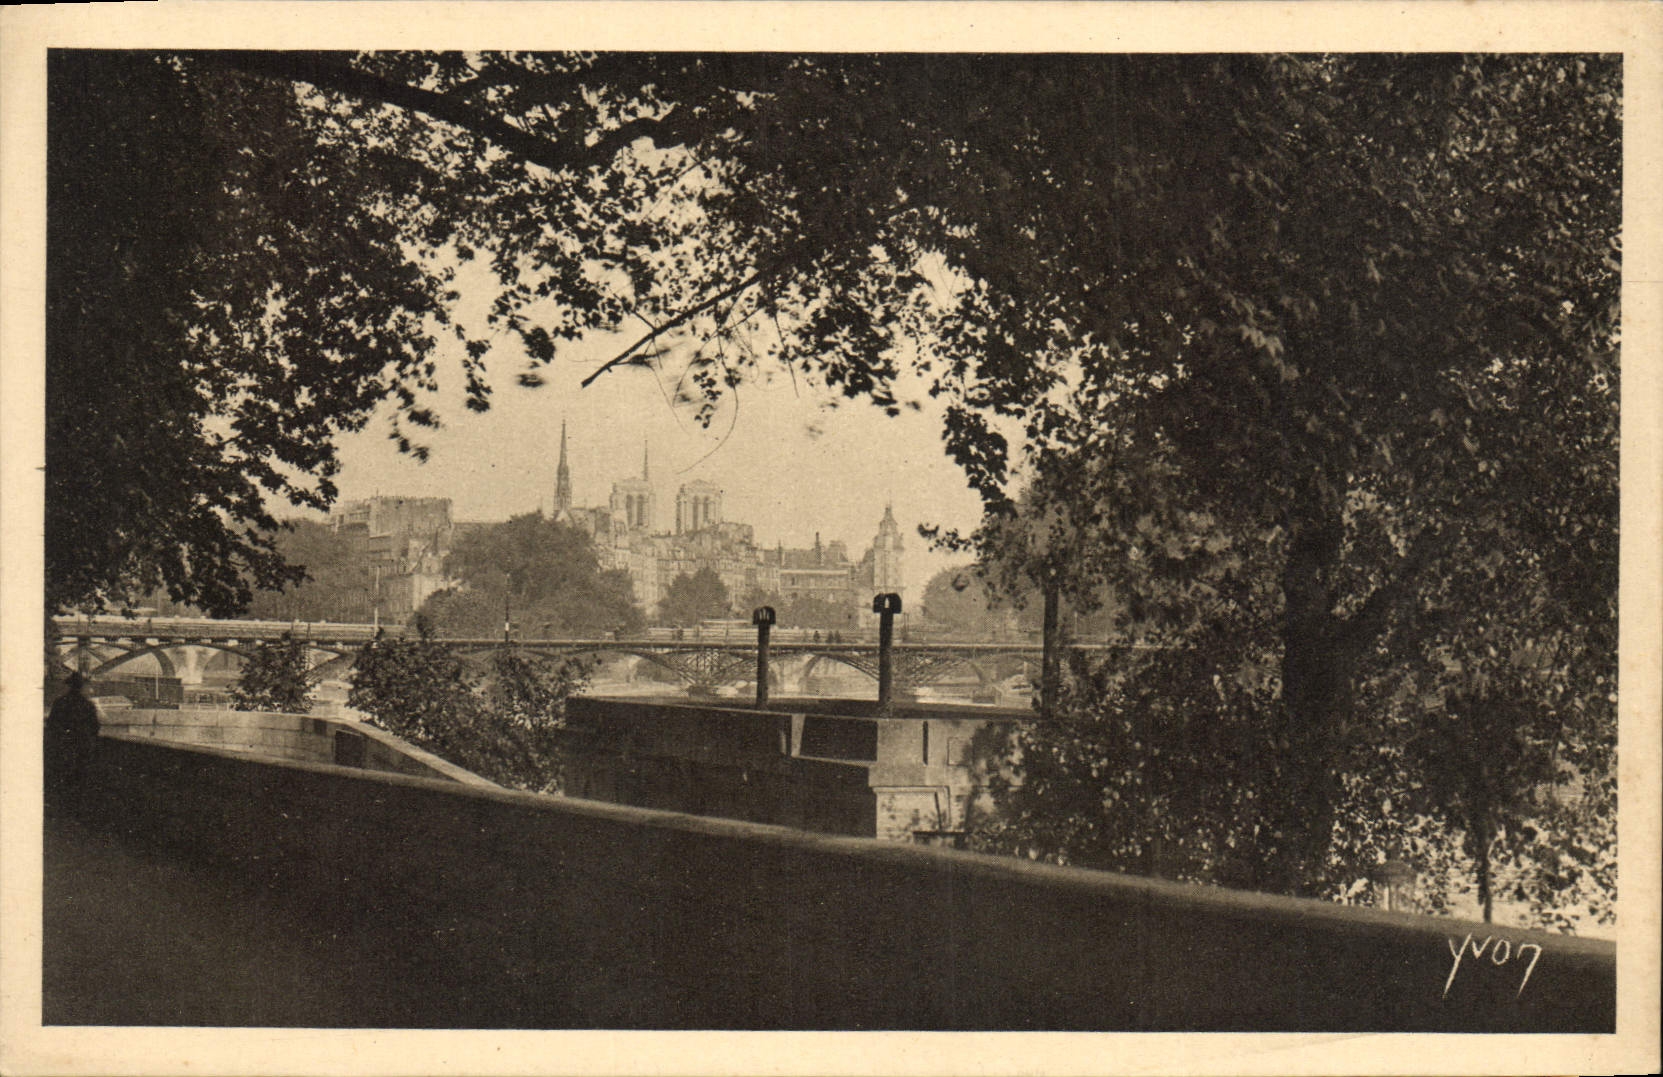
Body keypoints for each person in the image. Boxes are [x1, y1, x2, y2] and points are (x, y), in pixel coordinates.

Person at [45, 671, 100, 813]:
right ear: (81, 687)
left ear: (69, 686)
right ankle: (77, 808)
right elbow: (95, 727)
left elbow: (52, 725)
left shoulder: (60, 703)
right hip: (82, 746)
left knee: (64, 777)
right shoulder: (88, 705)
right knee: (80, 777)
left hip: (64, 745)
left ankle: (65, 807)